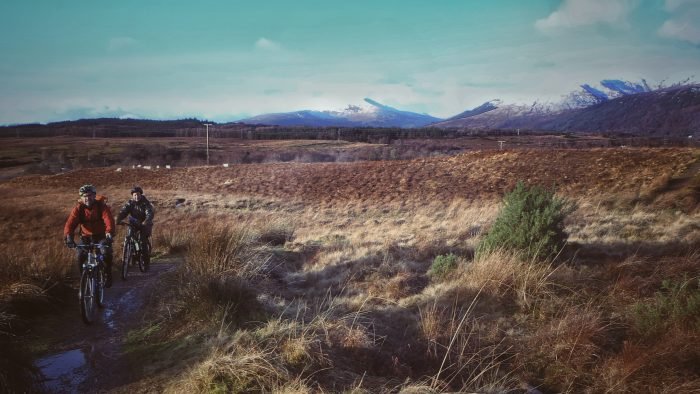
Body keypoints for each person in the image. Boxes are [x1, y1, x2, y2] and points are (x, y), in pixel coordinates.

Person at [64, 184, 115, 287]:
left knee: (106, 253)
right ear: (81, 197)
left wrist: (109, 233)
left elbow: (109, 220)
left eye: (90, 195)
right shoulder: (78, 209)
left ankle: (107, 274)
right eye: (85, 196)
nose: (87, 198)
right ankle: (83, 278)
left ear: (94, 196)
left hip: (101, 236)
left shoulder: (101, 206)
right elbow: (70, 223)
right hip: (86, 237)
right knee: (80, 256)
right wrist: (69, 237)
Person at [116, 186, 154, 265]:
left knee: (142, 241)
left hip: (144, 224)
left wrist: (146, 221)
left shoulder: (145, 203)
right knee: (130, 237)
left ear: (141, 194)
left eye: (138, 194)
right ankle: (132, 256)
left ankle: (146, 261)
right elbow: (124, 211)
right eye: (134, 195)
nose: (136, 197)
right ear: (132, 196)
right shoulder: (130, 203)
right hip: (133, 223)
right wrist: (119, 219)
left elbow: (149, 213)